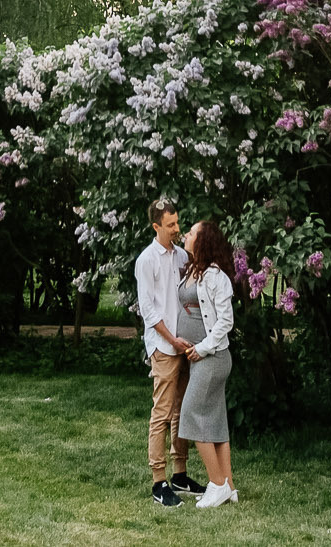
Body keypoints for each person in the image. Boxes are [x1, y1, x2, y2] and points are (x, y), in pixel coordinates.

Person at [135, 200, 198, 506]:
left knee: (181, 411)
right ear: (156, 227)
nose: (177, 228)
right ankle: (159, 482)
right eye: (170, 225)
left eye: (177, 222)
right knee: (161, 413)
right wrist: (172, 340)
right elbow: (148, 309)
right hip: (164, 346)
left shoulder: (182, 256)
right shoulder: (147, 261)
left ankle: (180, 474)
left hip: (185, 345)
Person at [177, 219, 239, 507]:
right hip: (202, 357)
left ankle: (215, 484)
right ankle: (228, 485)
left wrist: (201, 348)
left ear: (203, 241)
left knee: (191, 413)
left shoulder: (216, 277)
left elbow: (226, 321)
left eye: (191, 233)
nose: (185, 235)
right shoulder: (193, 269)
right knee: (214, 421)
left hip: (212, 358)